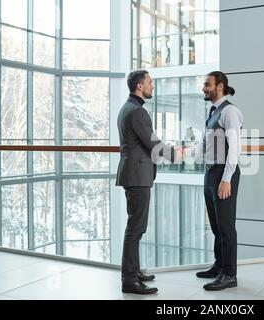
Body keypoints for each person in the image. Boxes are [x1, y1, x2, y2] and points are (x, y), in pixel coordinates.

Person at [116, 70, 181, 295]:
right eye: (150, 83)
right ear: (139, 87)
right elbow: (153, 143)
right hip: (137, 176)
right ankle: (130, 279)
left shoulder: (127, 108)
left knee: (136, 227)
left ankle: (133, 271)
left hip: (134, 174)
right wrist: (175, 155)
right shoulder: (137, 112)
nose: (153, 86)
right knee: (135, 228)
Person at [186, 71, 243, 291]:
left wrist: (226, 178)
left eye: (207, 85)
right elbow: (204, 145)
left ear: (220, 86)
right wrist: (183, 154)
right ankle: (219, 265)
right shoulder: (212, 112)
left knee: (226, 226)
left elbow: (234, 148)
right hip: (210, 172)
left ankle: (229, 274)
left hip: (223, 173)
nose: (204, 88)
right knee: (216, 225)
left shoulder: (230, 111)